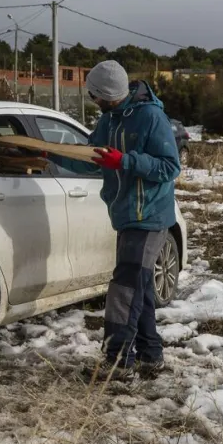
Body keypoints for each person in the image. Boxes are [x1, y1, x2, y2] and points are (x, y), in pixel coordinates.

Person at [49, 60, 181, 381]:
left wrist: (125, 161)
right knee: (141, 288)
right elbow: (93, 160)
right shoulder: (109, 120)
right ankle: (151, 357)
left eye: (94, 94)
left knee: (124, 288)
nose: (92, 99)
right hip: (125, 215)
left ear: (107, 94)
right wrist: (50, 153)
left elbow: (169, 166)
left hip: (149, 215)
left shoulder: (150, 117)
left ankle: (118, 363)